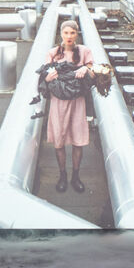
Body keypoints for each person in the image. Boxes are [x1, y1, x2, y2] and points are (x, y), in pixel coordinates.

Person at [41, 19, 95, 193]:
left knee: (78, 140)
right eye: (66, 33)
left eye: (72, 32)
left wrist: (86, 69)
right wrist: (47, 78)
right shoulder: (52, 53)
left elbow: (94, 73)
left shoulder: (85, 51)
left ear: (77, 34)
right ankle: (63, 175)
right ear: (61, 34)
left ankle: (75, 176)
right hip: (58, 102)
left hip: (78, 101)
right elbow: (44, 77)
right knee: (59, 140)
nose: (69, 36)